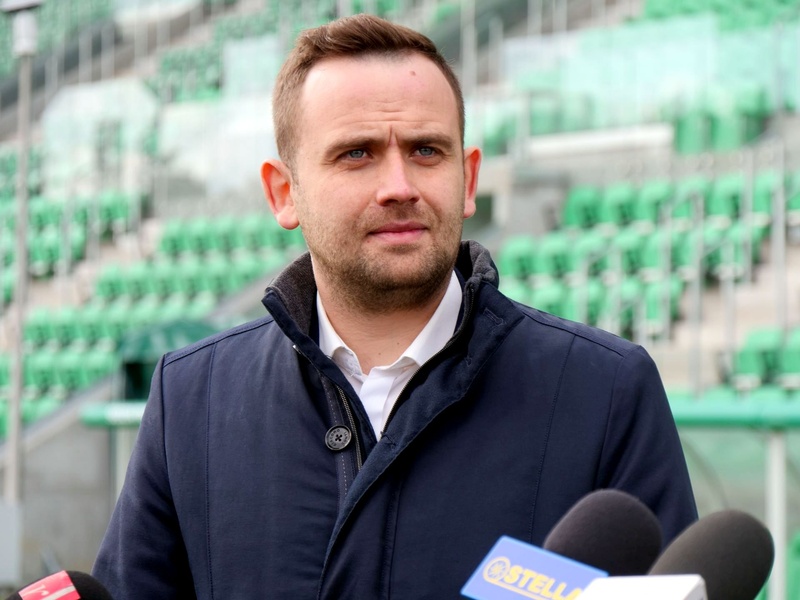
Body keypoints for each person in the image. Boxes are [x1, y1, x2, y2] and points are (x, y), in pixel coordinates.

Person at [92, 14, 697, 599]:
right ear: (284, 193)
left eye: (426, 150)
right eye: (356, 154)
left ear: (467, 180)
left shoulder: (606, 391)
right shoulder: (192, 400)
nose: (399, 186)